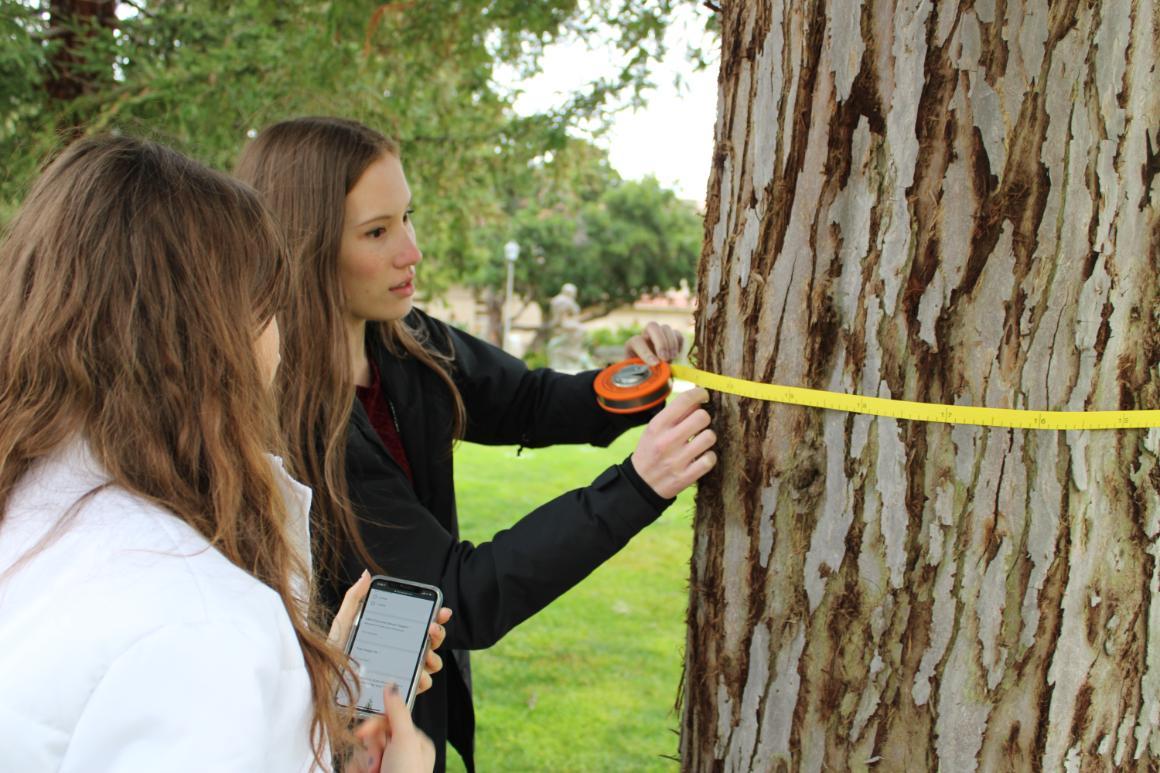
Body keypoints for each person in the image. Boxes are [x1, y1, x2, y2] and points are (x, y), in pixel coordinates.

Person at [236, 116, 718, 772]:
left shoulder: (407, 341)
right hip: (349, 741)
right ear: (306, 245)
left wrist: (626, 385)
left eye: (408, 217)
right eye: (377, 231)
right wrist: (635, 487)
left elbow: (527, 401)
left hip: (414, 707)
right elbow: (460, 591)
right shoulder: (299, 424)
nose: (412, 250)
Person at [0, 135, 435, 772]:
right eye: (267, 310)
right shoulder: (202, 626)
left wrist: (302, 683)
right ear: (211, 339)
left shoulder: (34, 510)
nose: (278, 343)